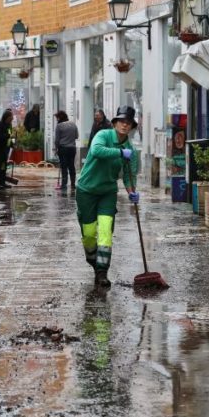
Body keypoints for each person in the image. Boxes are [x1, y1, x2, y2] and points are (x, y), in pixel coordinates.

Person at [74, 105, 140, 288]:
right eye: (121, 121)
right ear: (115, 123)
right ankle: (93, 260)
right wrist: (119, 152)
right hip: (86, 190)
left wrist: (132, 192)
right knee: (88, 234)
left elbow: (129, 176)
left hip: (107, 193)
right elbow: (96, 151)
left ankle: (102, 272)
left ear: (132, 127)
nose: (125, 125)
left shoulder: (130, 150)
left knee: (105, 231)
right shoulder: (103, 136)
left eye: (128, 123)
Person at [54, 110, 79, 190]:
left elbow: (57, 140)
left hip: (63, 149)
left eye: (57, 118)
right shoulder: (73, 124)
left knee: (64, 167)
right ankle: (73, 184)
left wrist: (56, 148)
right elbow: (76, 136)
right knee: (71, 166)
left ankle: (64, 185)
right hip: (72, 148)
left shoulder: (59, 126)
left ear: (59, 118)